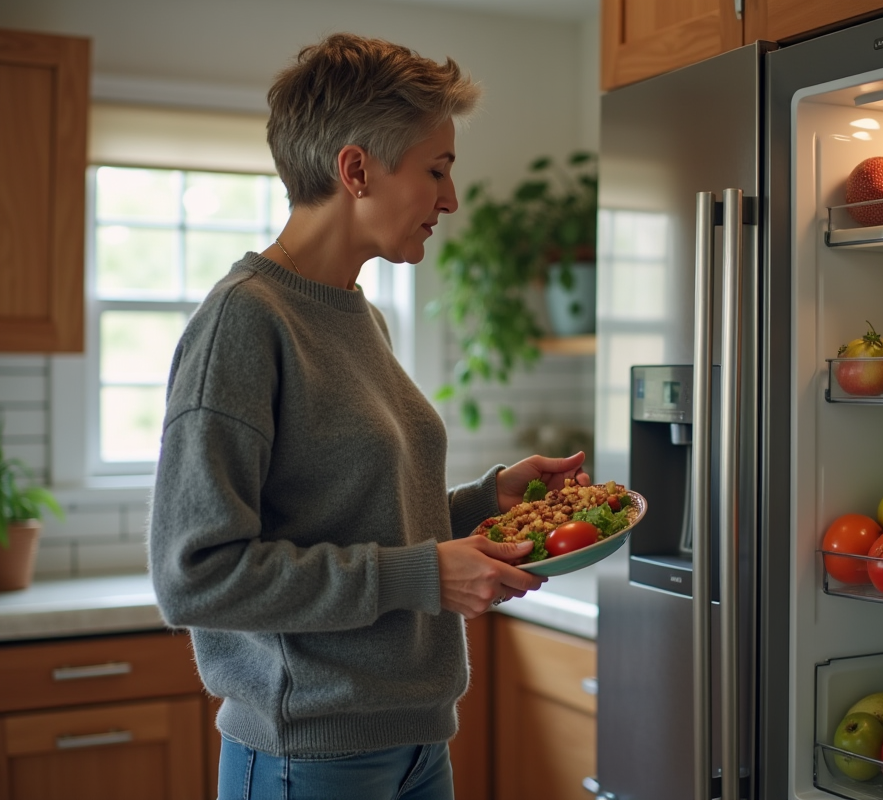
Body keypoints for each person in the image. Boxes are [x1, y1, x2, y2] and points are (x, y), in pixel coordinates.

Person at [147, 32, 589, 800]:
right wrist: (423, 575)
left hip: (416, 743)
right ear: (355, 169)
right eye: (436, 171)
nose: (450, 200)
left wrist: (488, 504)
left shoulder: (356, 315)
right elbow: (197, 577)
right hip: (307, 756)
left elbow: (360, 518)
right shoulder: (245, 324)